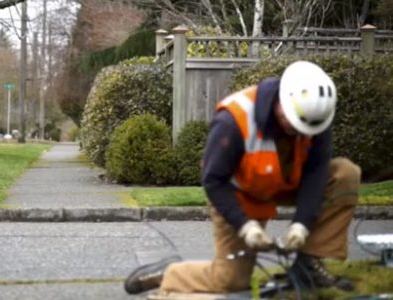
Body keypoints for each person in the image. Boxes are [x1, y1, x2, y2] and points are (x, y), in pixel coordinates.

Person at [124, 61, 360, 295]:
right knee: (231, 280)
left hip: (285, 182)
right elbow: (214, 180)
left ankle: (308, 264)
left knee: (345, 174)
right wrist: (245, 227)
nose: (297, 131)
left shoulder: (314, 117)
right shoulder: (234, 120)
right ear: (282, 99)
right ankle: (171, 272)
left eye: (305, 128)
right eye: (293, 121)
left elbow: (315, 174)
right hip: (239, 195)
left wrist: (302, 225)